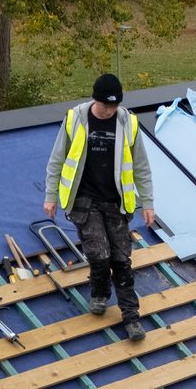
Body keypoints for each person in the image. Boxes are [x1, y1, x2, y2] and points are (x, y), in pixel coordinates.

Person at [44, 73, 157, 342]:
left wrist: (147, 202)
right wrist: (50, 196)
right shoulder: (75, 120)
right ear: (95, 100)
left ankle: (131, 317)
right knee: (99, 254)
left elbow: (141, 166)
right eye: (106, 106)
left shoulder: (128, 123)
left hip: (115, 201)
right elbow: (57, 160)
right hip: (85, 200)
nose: (110, 111)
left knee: (121, 260)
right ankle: (100, 293)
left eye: (114, 106)